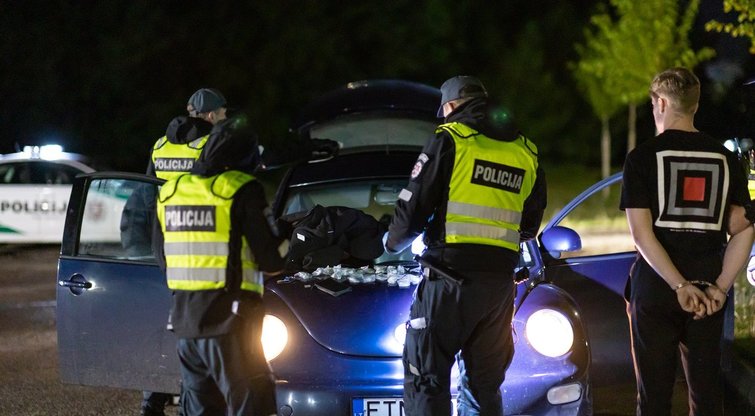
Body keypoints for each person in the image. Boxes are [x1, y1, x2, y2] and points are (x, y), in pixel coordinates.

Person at [384, 75, 547, 415]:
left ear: (451, 106)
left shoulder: (450, 138)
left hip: (449, 280)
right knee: (484, 386)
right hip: (498, 288)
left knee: (427, 379)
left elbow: (414, 205)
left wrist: (392, 241)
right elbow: (529, 226)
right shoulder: (526, 151)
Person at [620, 67, 754, 415]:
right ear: (695, 104)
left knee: (653, 399)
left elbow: (642, 234)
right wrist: (721, 287)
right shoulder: (725, 159)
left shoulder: (642, 158)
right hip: (708, 291)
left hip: (656, 289)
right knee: (706, 398)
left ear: (661, 103)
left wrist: (678, 285)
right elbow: (744, 228)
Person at [156, 113, 284, 415]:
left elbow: (161, 256)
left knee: (201, 409)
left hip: (185, 324)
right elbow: (271, 260)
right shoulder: (240, 188)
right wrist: (289, 241)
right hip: (230, 322)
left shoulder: (171, 192)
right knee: (252, 403)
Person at [138, 91, 216, 416]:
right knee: (195, 326)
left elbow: (146, 196)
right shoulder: (208, 144)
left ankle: (152, 398)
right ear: (209, 115)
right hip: (198, 237)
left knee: (173, 316)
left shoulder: (160, 145)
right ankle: (187, 402)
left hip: (164, 240)